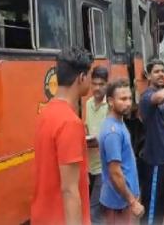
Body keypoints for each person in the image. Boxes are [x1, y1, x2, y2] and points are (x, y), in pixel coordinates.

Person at [31, 47, 93, 225]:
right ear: (81, 77)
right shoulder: (70, 122)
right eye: (89, 75)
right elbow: (69, 190)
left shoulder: (46, 112)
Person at [139, 59, 164, 225]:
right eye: (156, 71)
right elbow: (157, 97)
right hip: (155, 161)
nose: (161, 74)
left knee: (160, 204)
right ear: (148, 75)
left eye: (163, 71)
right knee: (152, 209)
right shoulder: (147, 96)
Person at [98, 79, 144, 224]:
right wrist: (132, 201)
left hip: (121, 201)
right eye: (123, 99)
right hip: (117, 203)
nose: (128, 103)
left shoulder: (118, 122)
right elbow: (115, 172)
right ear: (111, 101)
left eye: (130, 98)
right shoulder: (114, 132)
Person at [85, 66, 109, 224]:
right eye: (94, 84)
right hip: (89, 166)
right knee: (91, 209)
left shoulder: (112, 106)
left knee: (95, 212)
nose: (97, 88)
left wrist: (98, 141)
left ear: (107, 84)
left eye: (101, 84)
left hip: (104, 167)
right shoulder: (87, 104)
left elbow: (114, 137)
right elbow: (87, 126)